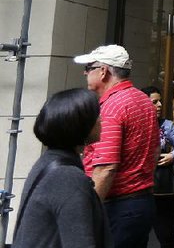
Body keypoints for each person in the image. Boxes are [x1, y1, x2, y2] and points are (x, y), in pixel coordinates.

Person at [75, 44, 160, 248]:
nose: (85, 73)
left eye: (88, 68)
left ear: (103, 71)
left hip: (117, 207)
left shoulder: (112, 107)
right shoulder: (143, 100)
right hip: (140, 203)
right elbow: (155, 151)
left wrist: (88, 212)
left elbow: (106, 167)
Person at [12, 88, 112, 248]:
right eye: (96, 115)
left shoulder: (49, 161)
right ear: (81, 124)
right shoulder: (68, 176)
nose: (101, 119)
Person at [142, 86, 174, 248]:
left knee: (167, 235)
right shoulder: (136, 124)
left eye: (160, 101)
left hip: (162, 187)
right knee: (138, 235)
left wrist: (172, 156)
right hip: (139, 187)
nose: (160, 105)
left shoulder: (166, 125)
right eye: (154, 102)